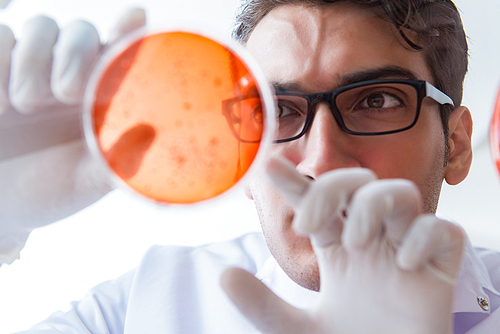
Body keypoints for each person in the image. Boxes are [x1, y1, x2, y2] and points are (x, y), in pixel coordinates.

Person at [0, 0, 498, 333]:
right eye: (278, 110)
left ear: (455, 145)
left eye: (377, 100)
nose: (322, 161)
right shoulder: (139, 307)